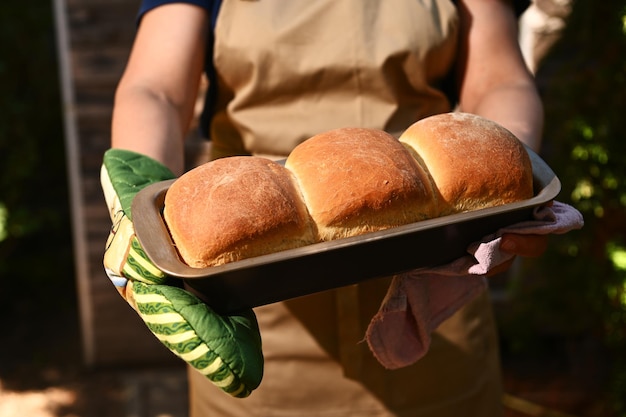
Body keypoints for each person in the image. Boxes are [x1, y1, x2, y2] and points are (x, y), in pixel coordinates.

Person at [110, 0, 548, 415]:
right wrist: (140, 204)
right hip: (256, 312)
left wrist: (511, 185)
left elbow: (500, 81)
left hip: (434, 296)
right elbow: (156, 89)